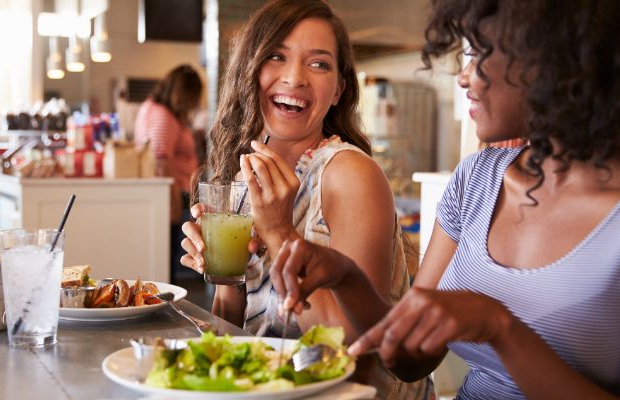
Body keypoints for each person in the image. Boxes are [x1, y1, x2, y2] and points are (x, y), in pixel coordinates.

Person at [271, 0, 620, 398]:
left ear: (556, 61)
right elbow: (409, 360)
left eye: (480, 53)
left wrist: (499, 327)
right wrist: (347, 278)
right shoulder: (477, 177)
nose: (464, 77)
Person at [179, 0, 432, 397]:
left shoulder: (350, 174)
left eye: (318, 64)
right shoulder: (245, 174)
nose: (295, 78)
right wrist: (226, 276)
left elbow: (349, 351)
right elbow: (238, 331)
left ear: (338, 91)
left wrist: (280, 231)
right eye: (276, 56)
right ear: (251, 70)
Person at [134, 64, 203, 281]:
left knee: (170, 258)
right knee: (171, 260)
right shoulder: (162, 115)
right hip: (172, 196)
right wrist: (173, 204)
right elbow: (162, 161)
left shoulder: (154, 109)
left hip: (171, 195)